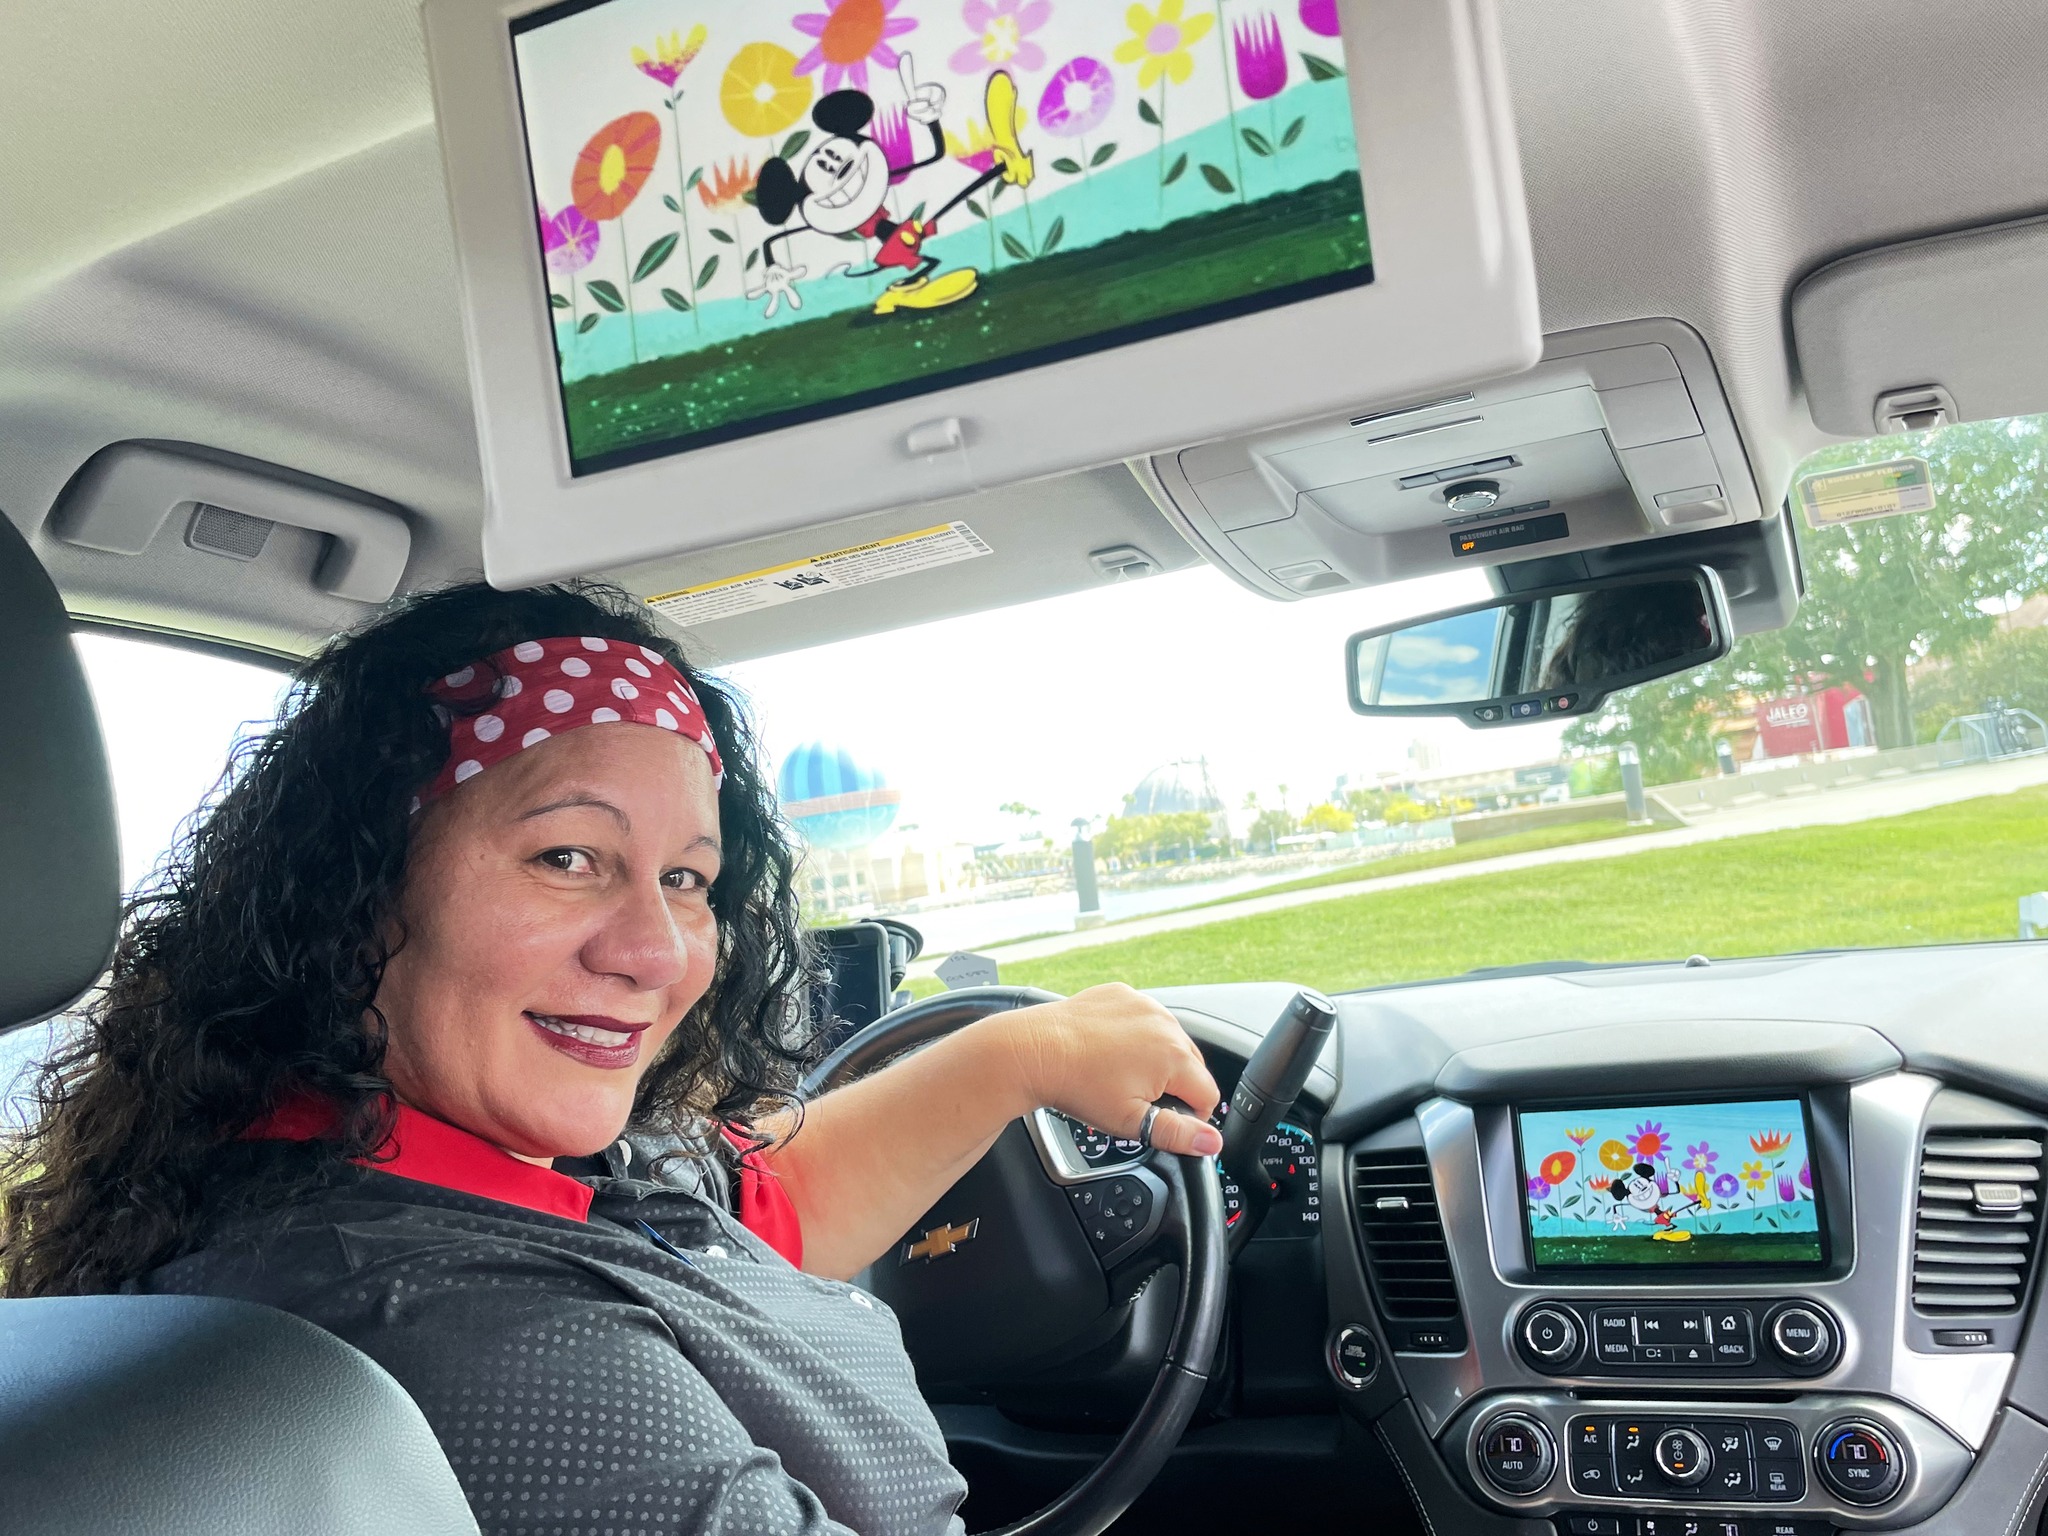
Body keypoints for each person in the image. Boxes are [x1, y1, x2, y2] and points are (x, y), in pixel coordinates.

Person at [0, 581, 1222, 1536]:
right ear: (358, 892)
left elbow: (752, 1208)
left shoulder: (413, 1158)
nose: (655, 952)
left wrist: (1018, 1054)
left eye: (685, 878)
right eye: (567, 857)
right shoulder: (461, 1326)